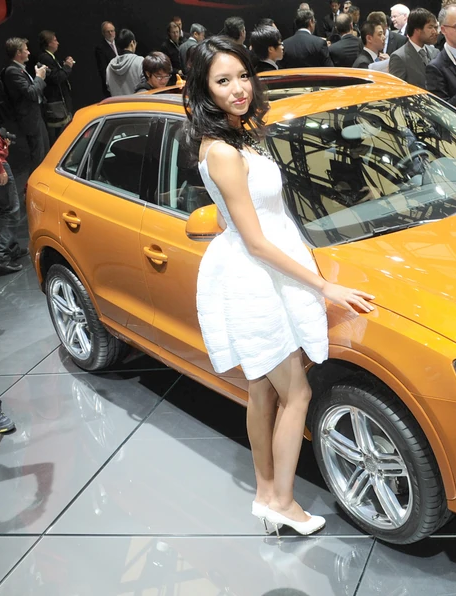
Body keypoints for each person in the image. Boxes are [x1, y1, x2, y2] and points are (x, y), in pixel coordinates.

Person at [183, 35, 374, 536]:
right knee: (297, 394)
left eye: (243, 76)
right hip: (260, 281)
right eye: (223, 81)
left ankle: (266, 494)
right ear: (204, 90)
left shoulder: (235, 138)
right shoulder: (223, 152)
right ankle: (283, 502)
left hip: (264, 273)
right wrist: (324, 287)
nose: (239, 88)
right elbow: (256, 241)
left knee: (262, 391)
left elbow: (238, 219)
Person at [3, 38, 48, 169]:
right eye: (26, 50)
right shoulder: (12, 71)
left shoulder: (21, 69)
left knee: (45, 151)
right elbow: (32, 93)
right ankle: (36, 180)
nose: (29, 52)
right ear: (18, 53)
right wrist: (39, 77)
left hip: (36, 115)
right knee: (38, 157)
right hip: (29, 120)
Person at [0, 127, 25, 275]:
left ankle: (10, 249)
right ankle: (0, 256)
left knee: (3, 209)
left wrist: (3, 145)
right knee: (10, 210)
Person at [37, 30, 74, 145]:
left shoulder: (51, 57)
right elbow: (56, 78)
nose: (58, 43)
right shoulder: (45, 58)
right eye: (55, 40)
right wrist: (67, 67)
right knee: (59, 135)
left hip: (60, 102)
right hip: (56, 104)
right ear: (49, 43)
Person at [389, 8, 440, 87]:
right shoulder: (399, 57)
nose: (435, 32)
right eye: (430, 27)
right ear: (417, 29)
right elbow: (397, 90)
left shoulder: (435, 52)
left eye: (436, 27)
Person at [106, 29, 144, 96]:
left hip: (117, 103)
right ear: (132, 43)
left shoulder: (110, 66)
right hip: (138, 102)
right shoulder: (140, 61)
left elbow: (108, 88)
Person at [94, 21, 117, 98]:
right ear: (103, 33)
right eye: (108, 32)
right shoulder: (100, 48)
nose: (110, 33)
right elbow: (103, 69)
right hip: (112, 84)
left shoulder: (120, 44)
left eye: (112, 31)